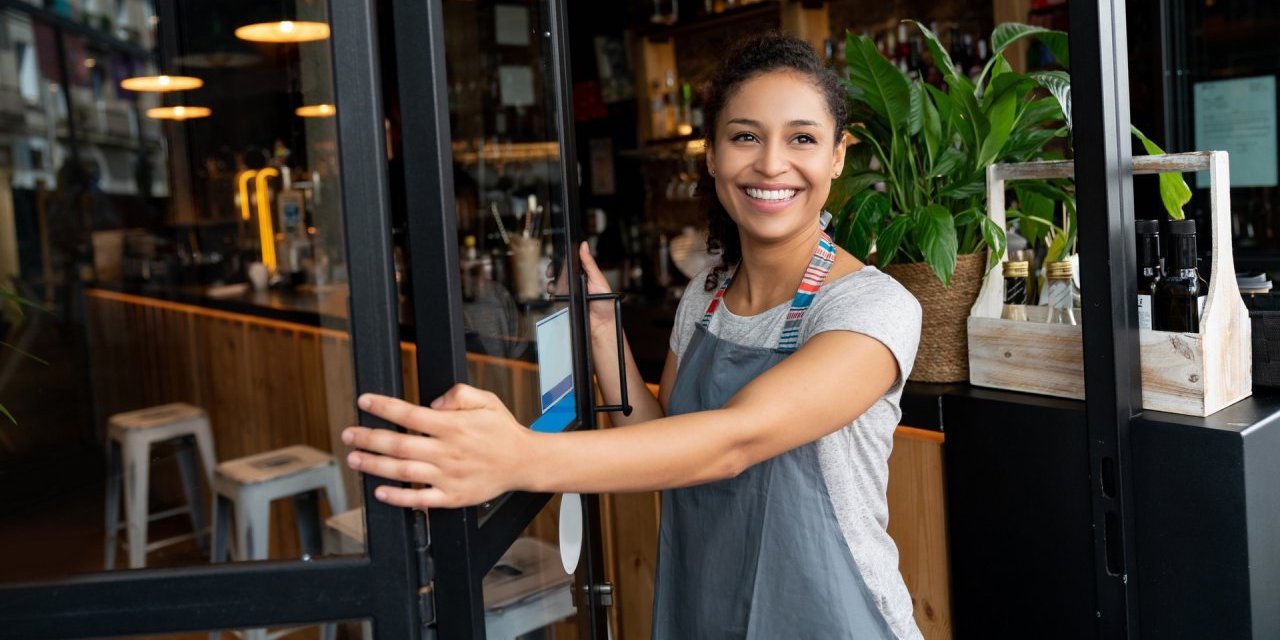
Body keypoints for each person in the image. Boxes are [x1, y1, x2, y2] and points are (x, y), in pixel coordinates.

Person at [342, 32, 924, 639]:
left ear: (836, 156)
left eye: (802, 138)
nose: (771, 163)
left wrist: (518, 458)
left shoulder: (871, 307)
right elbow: (661, 442)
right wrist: (602, 331)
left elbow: (735, 442)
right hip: (705, 610)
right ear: (712, 155)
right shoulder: (706, 295)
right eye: (745, 136)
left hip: (833, 620)